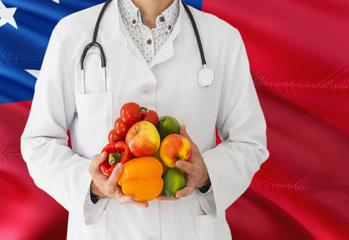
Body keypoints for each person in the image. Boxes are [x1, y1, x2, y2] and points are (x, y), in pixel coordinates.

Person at [21, 0, 269, 239]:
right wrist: (92, 185)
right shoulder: (72, 35)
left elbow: (249, 141)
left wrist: (207, 175)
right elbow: (40, 142)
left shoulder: (222, 39)